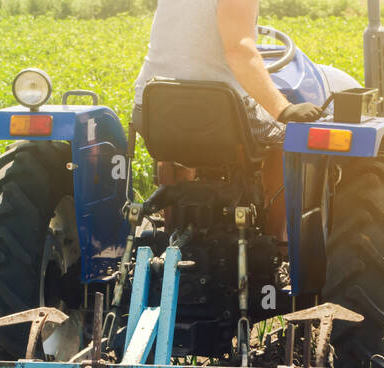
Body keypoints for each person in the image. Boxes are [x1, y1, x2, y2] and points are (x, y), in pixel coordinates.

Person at [131, 0, 327, 238]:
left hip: (151, 106)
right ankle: (277, 240)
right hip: (217, 109)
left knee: (172, 142)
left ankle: (173, 227)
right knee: (287, 135)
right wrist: (282, 109)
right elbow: (239, 50)